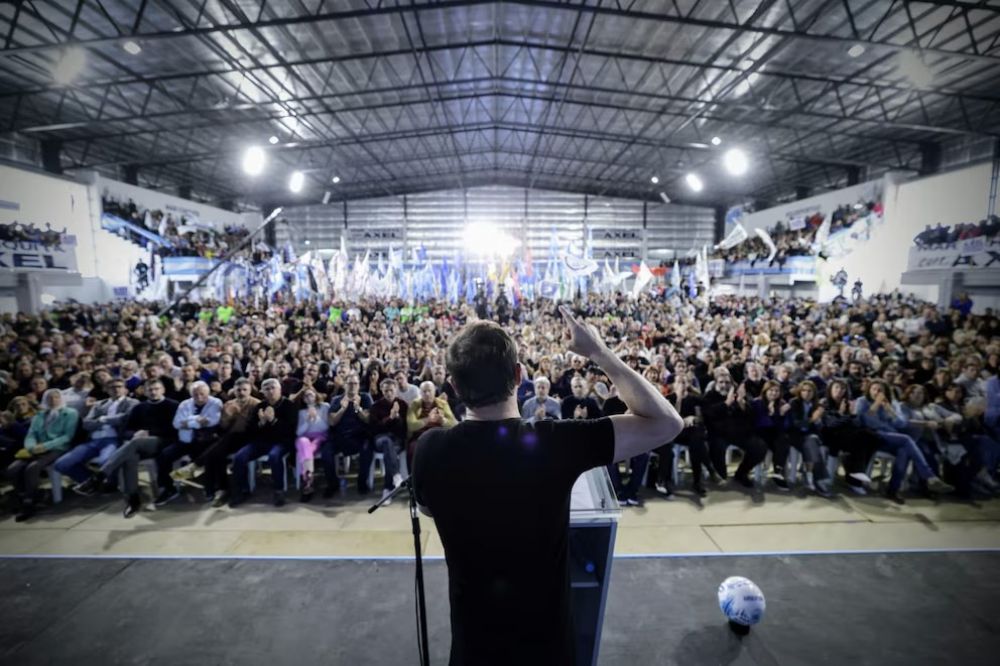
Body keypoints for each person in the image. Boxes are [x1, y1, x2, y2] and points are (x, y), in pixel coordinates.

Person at [413, 309, 682, 665]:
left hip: (474, 646)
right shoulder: (556, 443)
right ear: (519, 375)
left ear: (454, 386)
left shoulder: (430, 449)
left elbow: (430, 509)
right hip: (546, 645)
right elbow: (666, 423)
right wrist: (599, 352)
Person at [7, 389, 79, 522]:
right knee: (13, 469)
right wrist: (31, 447)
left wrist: (46, 446)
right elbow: (31, 434)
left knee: (32, 468)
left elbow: (67, 436)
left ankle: (29, 503)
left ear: (61, 398)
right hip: (36, 448)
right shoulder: (39, 415)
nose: (53, 400)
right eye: (50, 398)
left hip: (57, 448)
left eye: (56, 397)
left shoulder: (70, 413)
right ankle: (26, 496)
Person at [57, 379, 137, 494]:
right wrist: (106, 421)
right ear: (107, 390)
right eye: (112, 387)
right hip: (93, 440)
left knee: (105, 461)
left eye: (119, 386)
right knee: (62, 464)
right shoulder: (100, 404)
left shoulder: (132, 402)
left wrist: (101, 419)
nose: (116, 389)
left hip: (113, 439)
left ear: (125, 389)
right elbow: (86, 423)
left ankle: (110, 484)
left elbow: (123, 418)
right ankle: (94, 483)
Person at [229, 378, 297, 507]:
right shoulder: (259, 406)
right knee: (239, 457)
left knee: (274, 456)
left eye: (273, 388)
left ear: (280, 390)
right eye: (267, 389)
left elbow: (290, 430)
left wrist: (273, 420)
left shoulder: (289, 405)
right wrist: (261, 423)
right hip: (261, 442)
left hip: (282, 442)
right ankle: (242, 490)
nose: (270, 391)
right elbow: (250, 431)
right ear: (262, 392)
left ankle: (279, 490)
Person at [155, 381, 222, 505]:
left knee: (210, 456)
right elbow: (176, 423)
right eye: (195, 394)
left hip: (205, 441)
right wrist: (197, 420)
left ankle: (210, 488)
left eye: (202, 394)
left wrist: (188, 422)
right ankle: (168, 489)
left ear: (208, 393)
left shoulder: (215, 403)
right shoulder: (184, 404)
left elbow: (213, 421)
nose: (199, 397)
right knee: (164, 455)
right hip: (185, 441)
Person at [322, 373, 374, 496]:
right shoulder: (336, 399)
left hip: (359, 436)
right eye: (350, 383)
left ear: (359, 385)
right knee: (326, 452)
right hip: (339, 436)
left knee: (367, 449)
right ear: (345, 385)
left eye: (355, 383)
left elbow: (368, 419)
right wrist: (342, 408)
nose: (352, 386)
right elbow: (332, 422)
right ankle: (333, 484)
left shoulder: (365, 397)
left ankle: (362, 483)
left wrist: (358, 408)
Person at [369, 378, 407, 503]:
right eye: (386, 391)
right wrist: (389, 418)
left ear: (396, 390)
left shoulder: (402, 405)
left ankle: (387, 489)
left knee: (389, 452)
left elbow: (405, 428)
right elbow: (375, 428)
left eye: (391, 390)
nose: (389, 393)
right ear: (382, 391)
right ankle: (396, 475)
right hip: (380, 438)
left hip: (396, 440)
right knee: (386, 442)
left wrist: (397, 418)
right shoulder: (376, 406)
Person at [406, 380, 457, 469]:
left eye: (429, 391)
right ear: (420, 393)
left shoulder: (442, 403)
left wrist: (442, 420)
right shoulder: (415, 404)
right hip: (420, 437)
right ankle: (414, 478)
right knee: (413, 449)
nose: (427, 394)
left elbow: (454, 424)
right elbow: (411, 425)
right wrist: (428, 419)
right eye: (424, 391)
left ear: (434, 391)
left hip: (439, 436)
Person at [294, 388, 330, 502]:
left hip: (320, 436)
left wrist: (316, 417)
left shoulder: (324, 407)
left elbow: (326, 427)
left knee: (307, 449)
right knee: (303, 443)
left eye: (311, 394)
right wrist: (308, 420)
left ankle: (307, 482)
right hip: (305, 437)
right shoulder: (301, 412)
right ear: (303, 399)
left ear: (315, 395)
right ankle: (308, 477)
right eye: (305, 396)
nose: (308, 397)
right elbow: (299, 432)